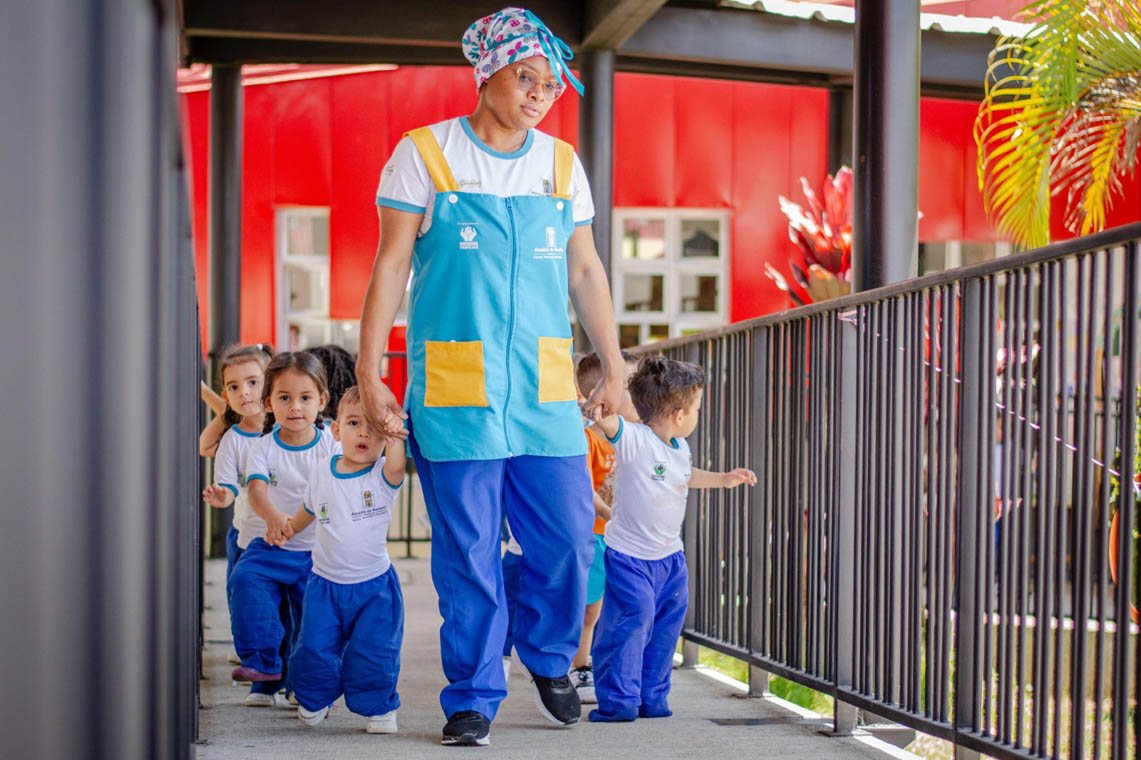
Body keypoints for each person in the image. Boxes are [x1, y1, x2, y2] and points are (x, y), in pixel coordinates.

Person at [356, 6, 625, 746]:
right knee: (467, 555)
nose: (539, 93)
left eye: (549, 83)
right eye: (524, 78)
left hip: (542, 391)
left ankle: (545, 659)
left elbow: (585, 269)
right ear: (487, 75)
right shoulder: (424, 154)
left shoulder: (561, 164)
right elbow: (389, 266)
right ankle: (472, 693)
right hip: (455, 389)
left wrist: (618, 364)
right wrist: (369, 370)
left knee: (569, 539)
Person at [588, 356, 757, 722]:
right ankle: (619, 701)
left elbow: (683, 475)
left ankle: (652, 698)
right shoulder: (634, 438)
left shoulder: (679, 448)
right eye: (696, 407)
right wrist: (599, 396)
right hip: (629, 557)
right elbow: (602, 418)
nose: (698, 414)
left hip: (670, 560)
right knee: (631, 620)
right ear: (679, 414)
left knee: (666, 626)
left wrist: (723, 478)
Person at [281, 386, 406, 735]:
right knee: (313, 647)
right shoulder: (322, 470)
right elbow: (310, 508)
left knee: (374, 651)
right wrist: (290, 528)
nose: (364, 432)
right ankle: (315, 697)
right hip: (324, 584)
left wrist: (394, 428)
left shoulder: (383, 475)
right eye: (353, 423)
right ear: (336, 431)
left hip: (374, 587)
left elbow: (398, 460)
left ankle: (378, 706)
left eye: (374, 427)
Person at [228, 352, 338, 687]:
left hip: (315, 553)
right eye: (285, 398)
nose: (295, 407)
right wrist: (273, 518)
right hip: (272, 545)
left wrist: (296, 525)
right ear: (269, 403)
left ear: (321, 400)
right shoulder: (261, 448)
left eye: (305, 398)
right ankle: (263, 662)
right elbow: (257, 491)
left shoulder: (330, 447)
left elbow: (331, 494)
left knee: (311, 623)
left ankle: (311, 686)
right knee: (244, 578)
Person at [200, 343, 277, 698]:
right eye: (233, 387)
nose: (244, 392)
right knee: (249, 605)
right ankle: (262, 676)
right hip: (247, 535)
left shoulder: (286, 426)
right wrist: (227, 410)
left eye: (252, 382)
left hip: (293, 536)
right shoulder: (234, 437)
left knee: (291, 612)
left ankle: (291, 680)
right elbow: (206, 447)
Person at [568, 350, 640, 703]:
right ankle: (579, 664)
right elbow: (586, 491)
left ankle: (610, 664)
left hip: (623, 536)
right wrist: (614, 516)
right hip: (596, 532)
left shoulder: (635, 436)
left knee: (618, 604)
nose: (641, 393)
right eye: (630, 384)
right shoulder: (588, 439)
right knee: (590, 606)